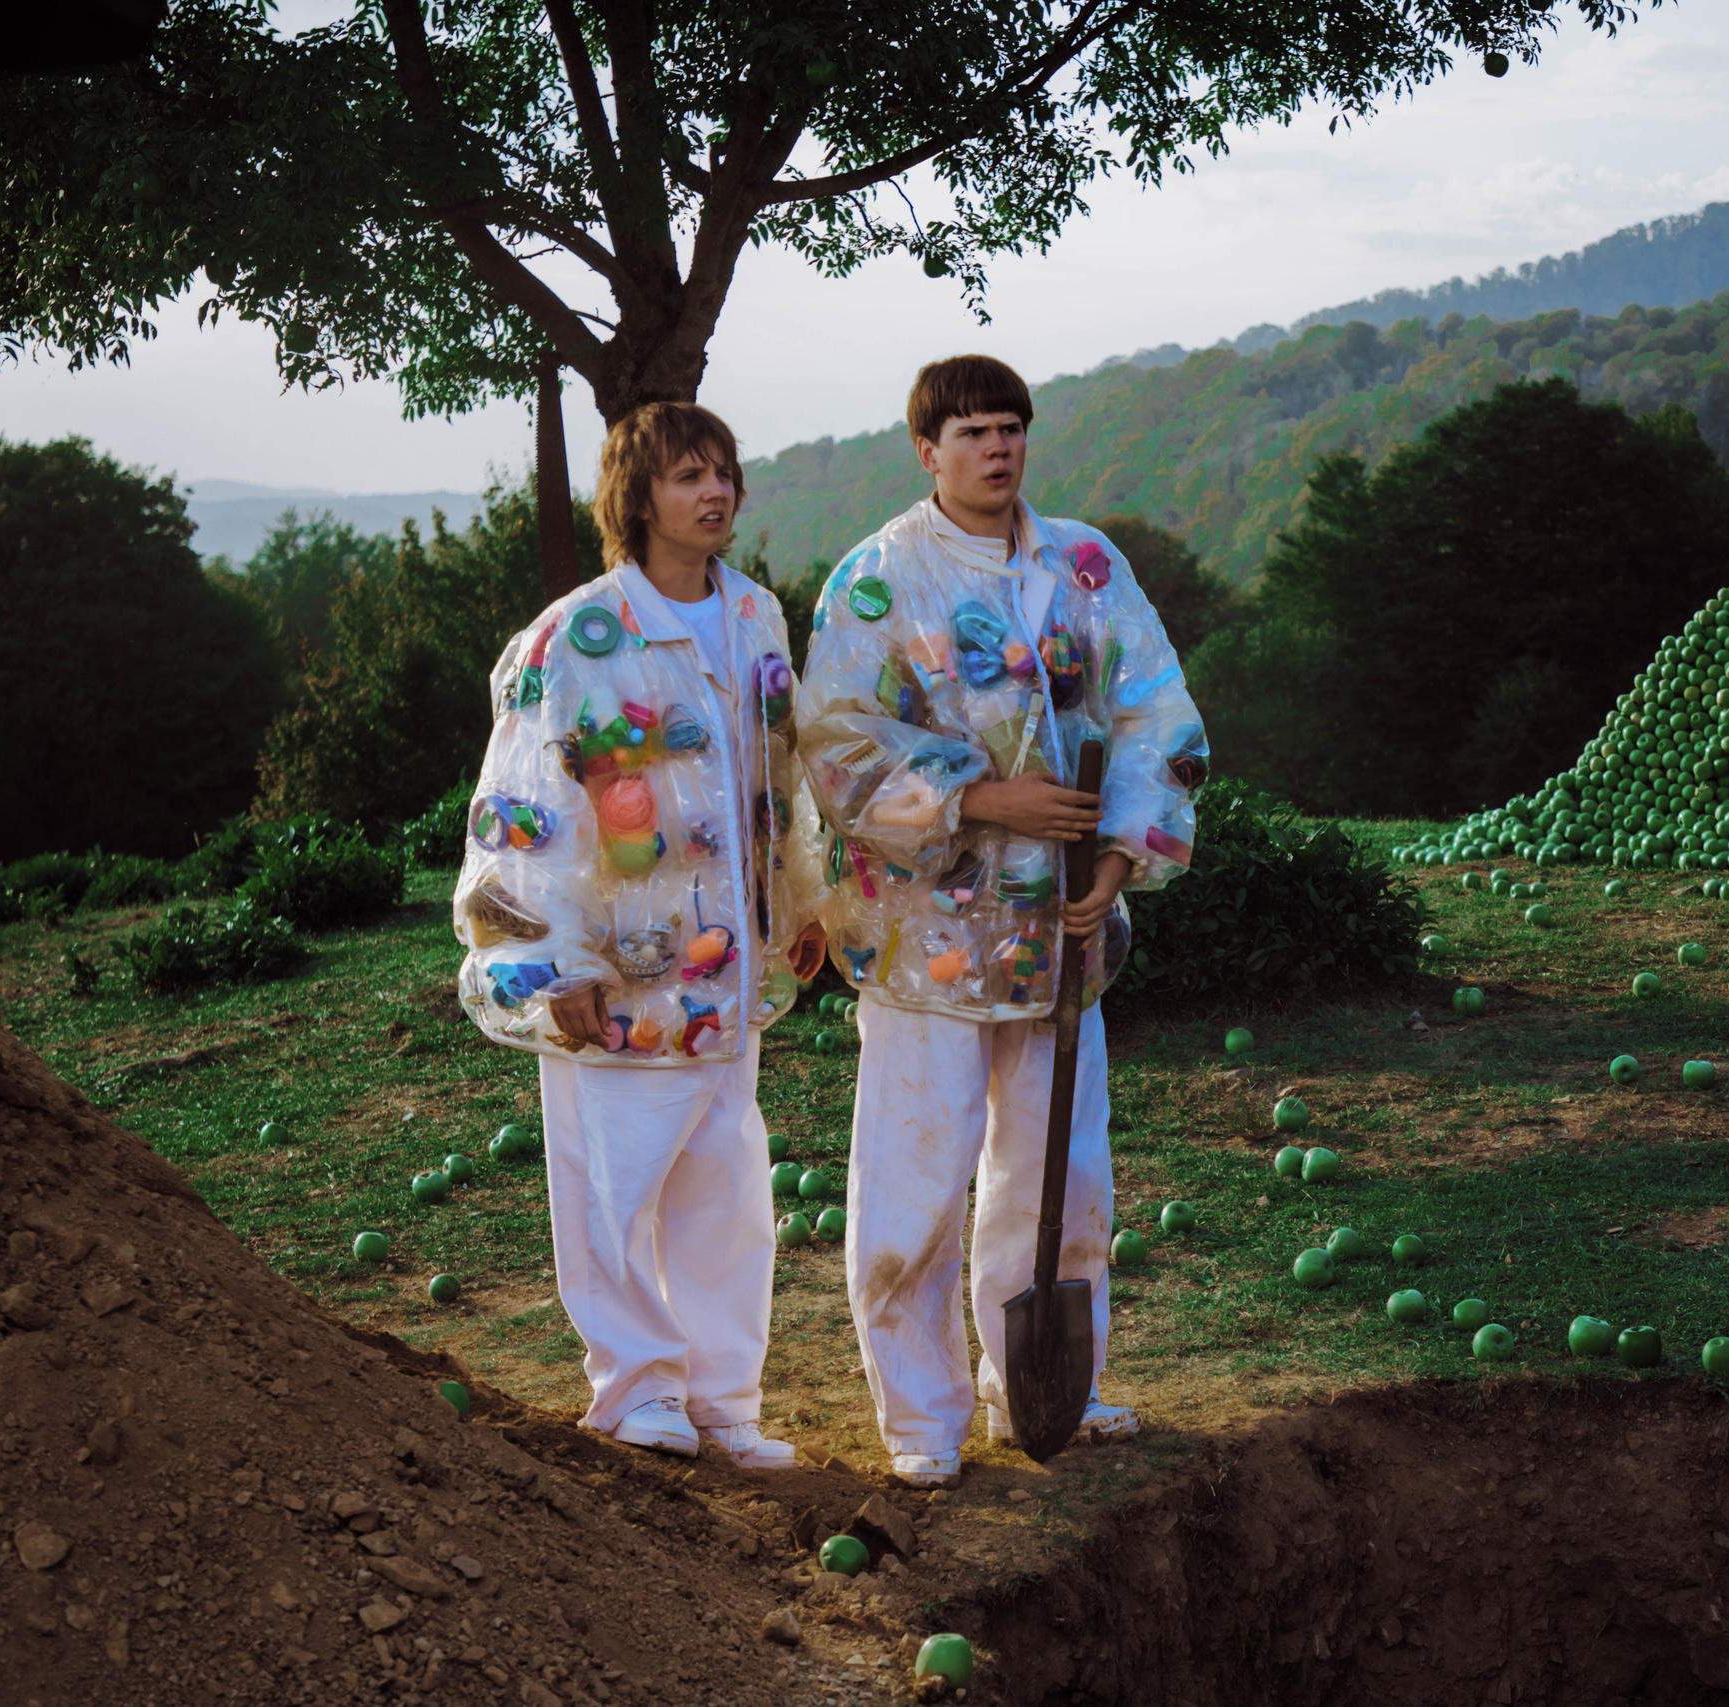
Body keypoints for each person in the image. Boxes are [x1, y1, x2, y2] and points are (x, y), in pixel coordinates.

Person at [794, 354, 1209, 1487]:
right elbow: (836, 744)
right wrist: (982, 799)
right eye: (972, 431)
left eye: (1011, 428)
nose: (997, 448)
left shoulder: (1084, 564)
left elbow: (1152, 708)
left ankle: (1034, 1386)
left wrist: (1118, 856)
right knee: (915, 1180)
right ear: (926, 449)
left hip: (1063, 933)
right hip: (925, 935)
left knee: (1062, 1179)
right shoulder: (875, 582)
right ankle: (920, 1417)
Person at [449, 401, 826, 1469]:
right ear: (637, 498)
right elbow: (521, 803)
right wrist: (548, 960)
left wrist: (801, 906)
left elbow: (777, 777)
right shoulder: (577, 635)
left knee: (727, 1195)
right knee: (613, 1189)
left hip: (728, 969)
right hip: (616, 973)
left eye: (722, 473)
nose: (712, 493)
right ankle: (635, 1393)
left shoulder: (755, 616)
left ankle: (721, 1402)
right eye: (684, 477)